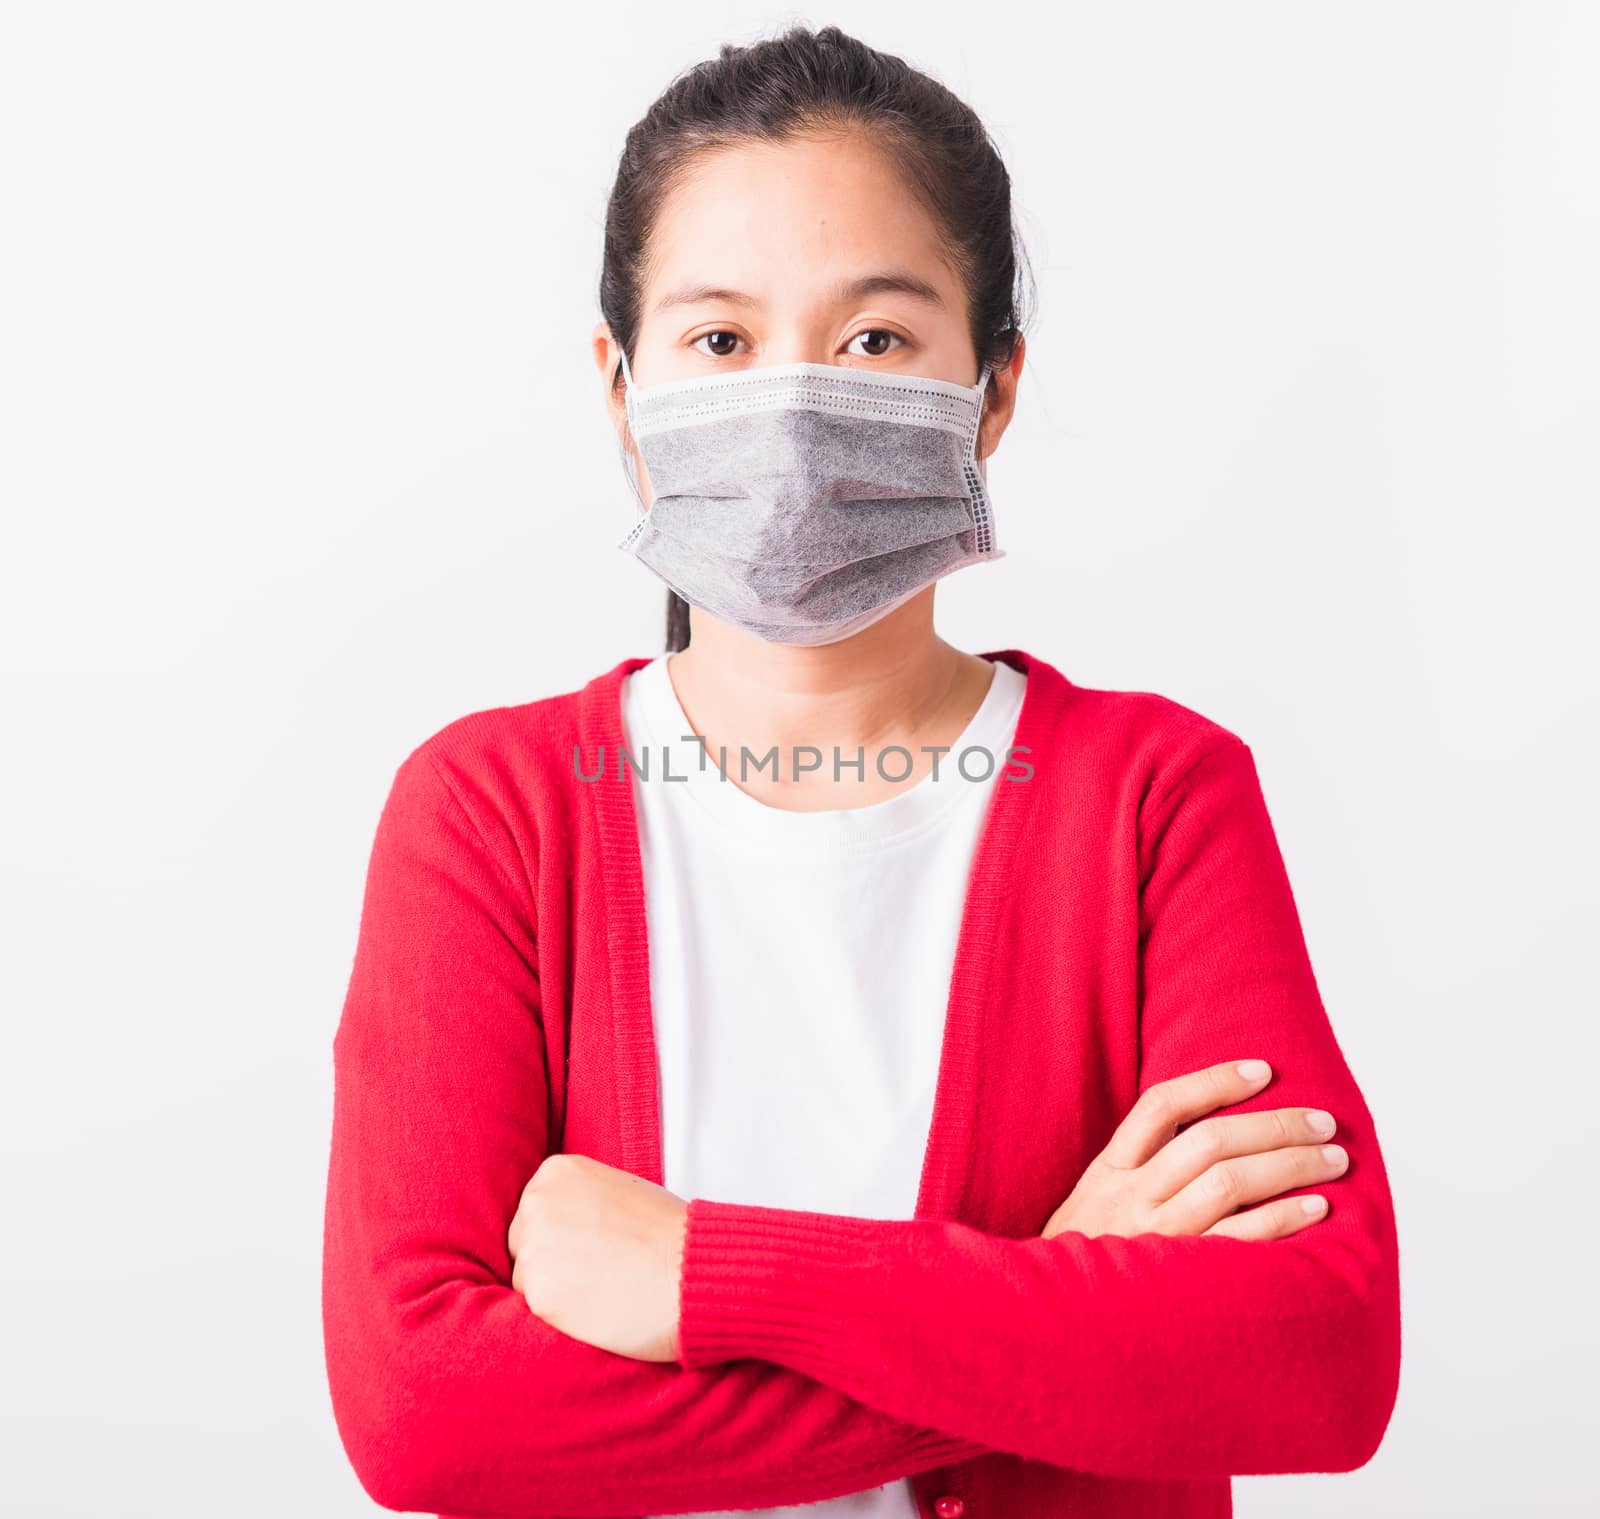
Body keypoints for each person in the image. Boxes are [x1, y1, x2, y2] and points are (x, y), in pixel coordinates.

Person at [320, 24, 1401, 1519]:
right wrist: (1045, 1303)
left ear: (994, 389)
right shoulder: (491, 815)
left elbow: (1316, 1361)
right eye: (717, 341)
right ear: (622, 392)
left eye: (876, 339)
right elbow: (427, 1419)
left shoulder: (1156, 799)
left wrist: (703, 1276)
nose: (790, 403)